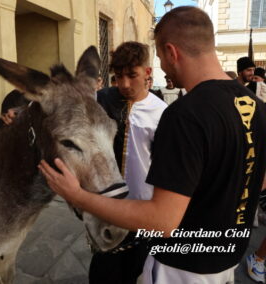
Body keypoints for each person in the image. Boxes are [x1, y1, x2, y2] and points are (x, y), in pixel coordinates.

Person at [39, 6, 266, 284]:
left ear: (171, 52)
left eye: (161, 57)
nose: (164, 66)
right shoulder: (257, 107)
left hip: (183, 267)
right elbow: (260, 182)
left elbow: (163, 221)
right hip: (226, 258)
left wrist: (78, 197)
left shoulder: (186, 114)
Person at [92, 41, 167, 284]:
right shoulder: (101, 100)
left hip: (145, 206)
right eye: (118, 76)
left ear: (147, 72)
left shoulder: (162, 112)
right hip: (106, 204)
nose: (124, 84)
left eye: (131, 75)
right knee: (103, 270)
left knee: (137, 269)